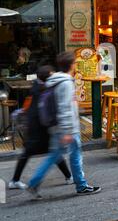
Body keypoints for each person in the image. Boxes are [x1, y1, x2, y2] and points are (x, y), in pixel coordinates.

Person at [27, 51, 101, 198]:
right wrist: (68, 131)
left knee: (56, 156)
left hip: (56, 126)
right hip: (67, 129)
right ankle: (81, 186)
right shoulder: (66, 83)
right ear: (71, 65)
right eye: (75, 63)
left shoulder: (54, 80)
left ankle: (35, 182)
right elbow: (64, 108)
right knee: (74, 156)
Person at [9, 65, 73, 190]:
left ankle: (68, 176)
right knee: (53, 152)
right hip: (40, 128)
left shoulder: (36, 87)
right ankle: (68, 177)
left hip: (34, 127)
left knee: (43, 152)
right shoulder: (44, 89)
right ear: (48, 76)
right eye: (52, 74)